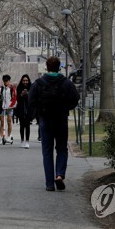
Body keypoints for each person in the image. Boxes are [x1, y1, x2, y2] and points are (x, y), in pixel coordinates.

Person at [28, 57, 79, 192]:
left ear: (46, 67)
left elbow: (31, 100)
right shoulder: (66, 83)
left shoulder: (39, 83)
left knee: (47, 152)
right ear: (59, 67)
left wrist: (38, 113)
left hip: (45, 120)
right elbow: (75, 98)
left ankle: (49, 183)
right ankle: (60, 174)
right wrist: (65, 108)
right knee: (62, 149)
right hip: (61, 119)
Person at [15, 74, 32, 149]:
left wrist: (28, 94)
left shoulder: (31, 87)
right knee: (22, 125)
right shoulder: (19, 88)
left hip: (28, 108)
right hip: (21, 108)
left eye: (26, 80)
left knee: (27, 125)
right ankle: (22, 140)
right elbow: (17, 99)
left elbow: (32, 98)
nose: (25, 82)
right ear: (22, 81)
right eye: (24, 80)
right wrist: (22, 94)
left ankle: (27, 141)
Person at [0, 74, 17, 145]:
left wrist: (12, 105)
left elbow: (15, 99)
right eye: (4, 81)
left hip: (9, 107)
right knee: (2, 122)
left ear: (9, 81)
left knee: (9, 121)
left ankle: (9, 136)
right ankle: (1, 137)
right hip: (2, 108)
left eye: (7, 81)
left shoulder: (12, 89)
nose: (6, 82)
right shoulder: (1, 89)